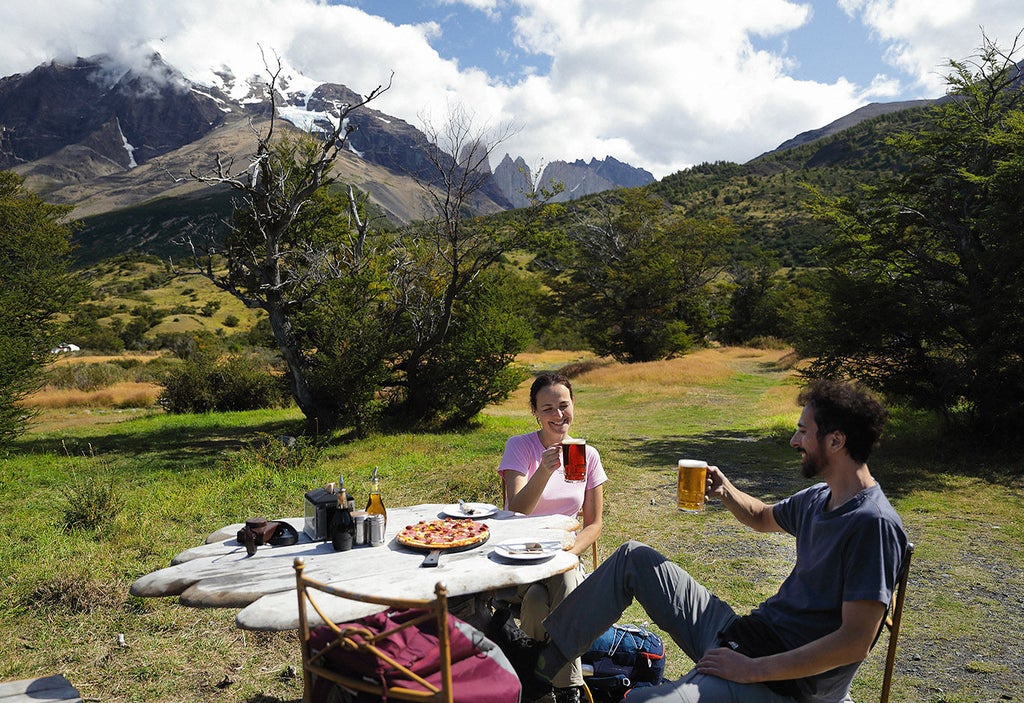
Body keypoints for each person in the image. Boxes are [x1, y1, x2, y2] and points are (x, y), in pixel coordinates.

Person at [535, 378, 910, 703]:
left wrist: (751, 670)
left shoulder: (871, 525)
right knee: (634, 558)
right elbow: (763, 517)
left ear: (836, 440)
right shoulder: (820, 497)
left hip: (784, 685)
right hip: (744, 637)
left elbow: (855, 641)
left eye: (803, 431)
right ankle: (537, 668)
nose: (795, 440)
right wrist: (725, 490)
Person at [499, 372, 608, 703]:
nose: (558, 416)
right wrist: (544, 471)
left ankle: (539, 685)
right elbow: (515, 512)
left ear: (574, 404)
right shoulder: (520, 447)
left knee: (538, 601)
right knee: (544, 588)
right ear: (534, 410)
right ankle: (569, 688)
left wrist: (569, 553)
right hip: (521, 559)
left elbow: (594, 524)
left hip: (565, 558)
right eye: (548, 408)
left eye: (564, 405)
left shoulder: (586, 455)